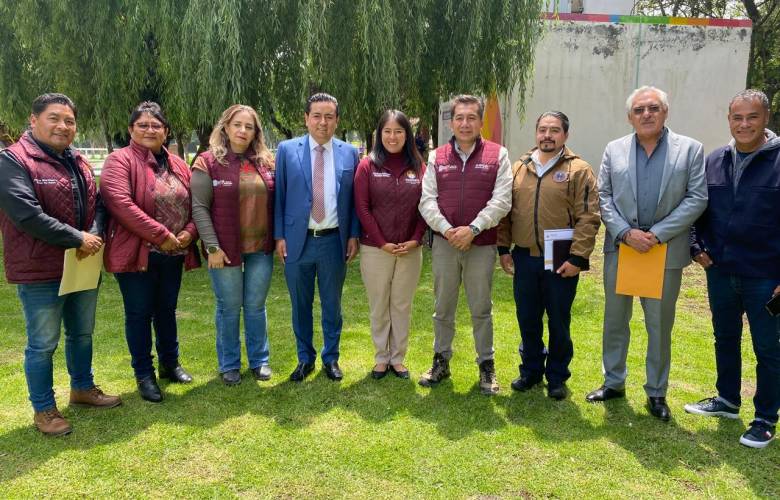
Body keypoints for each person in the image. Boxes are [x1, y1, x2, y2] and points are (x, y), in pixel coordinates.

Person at [0, 93, 121, 436]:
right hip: (40, 269)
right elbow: (26, 215)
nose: (63, 126)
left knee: (81, 333)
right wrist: (77, 238)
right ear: (33, 120)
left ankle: (82, 388)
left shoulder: (77, 160)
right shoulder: (12, 160)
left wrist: (93, 234)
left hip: (81, 264)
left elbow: (98, 203)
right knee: (43, 344)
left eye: (69, 121)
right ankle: (44, 409)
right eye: (54, 118)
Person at [589, 86, 707, 421]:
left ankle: (656, 391)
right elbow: (603, 196)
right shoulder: (614, 149)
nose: (646, 114)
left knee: (659, 325)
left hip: (664, 252)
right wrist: (626, 233)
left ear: (665, 112)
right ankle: (613, 382)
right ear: (630, 117)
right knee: (615, 320)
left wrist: (656, 235)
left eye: (653, 108)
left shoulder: (690, 150)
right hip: (622, 249)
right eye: (639, 110)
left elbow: (697, 198)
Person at [685, 89, 780, 448]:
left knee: (768, 347)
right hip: (721, 272)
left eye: (752, 117)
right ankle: (727, 399)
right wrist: (696, 247)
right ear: (729, 120)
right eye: (737, 117)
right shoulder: (715, 160)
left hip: (766, 278)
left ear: (765, 118)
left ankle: (765, 418)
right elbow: (697, 208)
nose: (744, 124)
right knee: (724, 337)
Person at [101, 101, 200, 403]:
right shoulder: (119, 161)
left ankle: (171, 363)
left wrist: (189, 232)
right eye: (142, 125)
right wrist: (161, 235)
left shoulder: (178, 164)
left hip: (173, 253)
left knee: (167, 310)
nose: (149, 130)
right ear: (130, 129)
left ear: (166, 131)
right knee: (139, 313)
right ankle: (144, 374)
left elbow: (197, 204)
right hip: (136, 253)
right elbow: (120, 204)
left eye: (156, 125)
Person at [497, 111, 600, 400]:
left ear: (565, 135)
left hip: (561, 259)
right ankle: (530, 370)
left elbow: (589, 216)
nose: (547, 135)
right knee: (527, 318)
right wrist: (504, 249)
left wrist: (578, 258)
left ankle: (557, 376)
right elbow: (506, 211)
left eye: (554, 130)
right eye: (542, 129)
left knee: (558, 321)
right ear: (536, 133)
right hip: (525, 258)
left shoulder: (579, 169)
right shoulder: (519, 167)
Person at [418, 94, 512, 395]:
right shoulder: (437, 156)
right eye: (459, 117)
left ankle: (486, 365)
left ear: (480, 121)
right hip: (445, 244)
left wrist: (473, 229)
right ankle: (441, 361)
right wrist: (448, 231)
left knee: (481, 307)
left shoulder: (498, 155)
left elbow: (502, 200)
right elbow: (427, 201)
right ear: (452, 122)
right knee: (442, 306)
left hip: (481, 244)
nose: (465, 123)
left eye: (471, 117)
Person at [274, 93, 360, 382]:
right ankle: (304, 358)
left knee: (332, 305)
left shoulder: (350, 153)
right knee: (300, 305)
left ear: (337, 120)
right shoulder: (287, 150)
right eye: (317, 116)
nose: (323, 122)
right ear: (306, 118)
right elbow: (279, 195)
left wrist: (354, 235)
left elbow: (354, 200)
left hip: (334, 241)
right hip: (297, 242)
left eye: (329, 116)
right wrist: (279, 235)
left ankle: (331, 358)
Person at [191, 105, 276, 386]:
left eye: (249, 127)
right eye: (237, 125)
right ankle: (229, 364)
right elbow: (199, 208)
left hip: (260, 247)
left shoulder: (266, 163)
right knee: (229, 307)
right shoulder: (207, 162)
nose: (242, 131)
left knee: (255, 306)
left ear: (255, 132)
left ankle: (259, 361)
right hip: (224, 249)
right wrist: (212, 248)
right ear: (225, 127)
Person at [354, 110, 427, 379]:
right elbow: (362, 208)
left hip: (410, 250)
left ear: (407, 135)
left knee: (401, 305)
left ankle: (398, 358)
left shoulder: (419, 167)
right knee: (379, 305)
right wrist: (382, 242)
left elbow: (426, 206)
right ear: (379, 134)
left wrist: (416, 239)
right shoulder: (367, 166)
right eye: (387, 131)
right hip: (376, 249)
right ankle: (381, 358)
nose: (392, 137)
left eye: (398, 131)